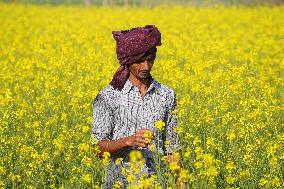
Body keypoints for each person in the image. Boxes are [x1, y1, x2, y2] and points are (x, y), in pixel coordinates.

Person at [92, 25, 183, 188]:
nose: (146, 66)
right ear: (127, 61)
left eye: (150, 59)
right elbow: (98, 148)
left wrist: (181, 182)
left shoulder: (167, 95)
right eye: (139, 61)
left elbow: (173, 147)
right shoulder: (108, 96)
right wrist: (128, 141)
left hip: (157, 184)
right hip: (119, 184)